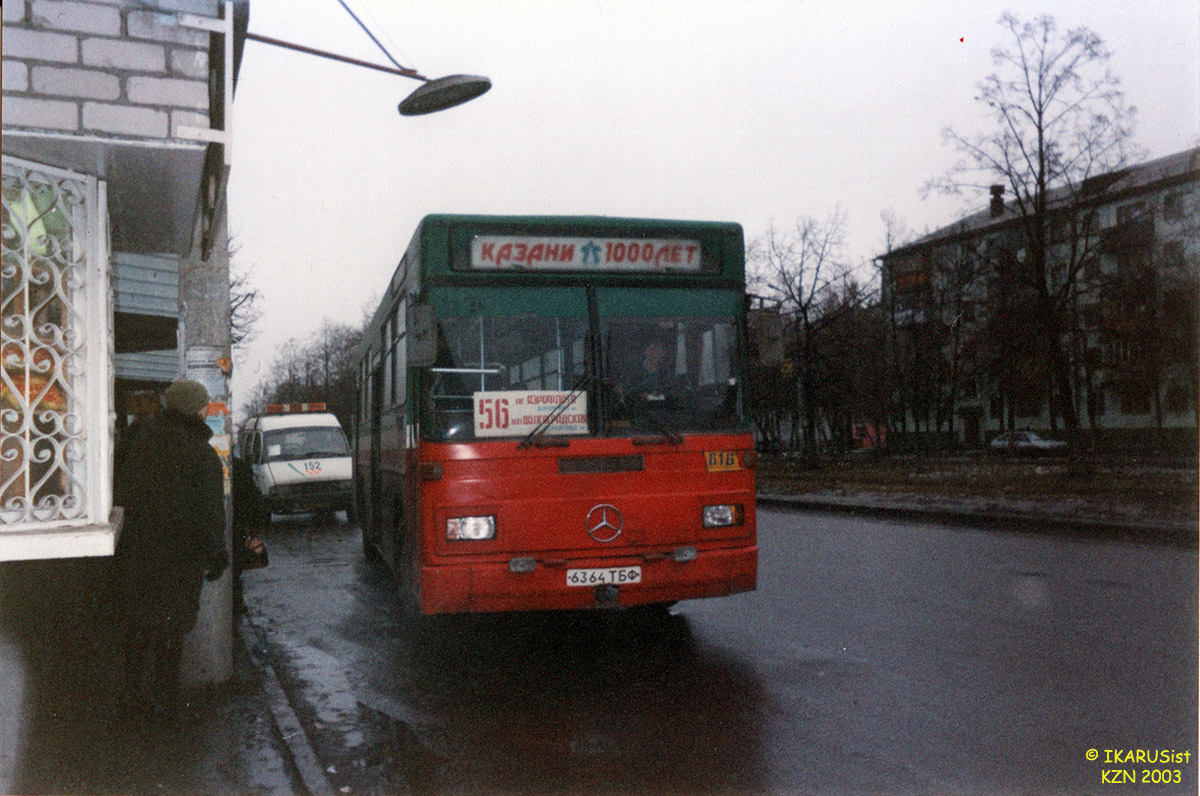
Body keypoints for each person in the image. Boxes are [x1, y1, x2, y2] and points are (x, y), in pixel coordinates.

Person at [113, 378, 228, 721]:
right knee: (170, 631)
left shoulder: (137, 437)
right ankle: (164, 701)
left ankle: (132, 696)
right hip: (180, 559)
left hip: (135, 549)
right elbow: (210, 513)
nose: (208, 410)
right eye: (205, 405)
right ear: (197, 409)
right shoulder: (201, 454)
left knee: (137, 626)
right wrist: (216, 556)